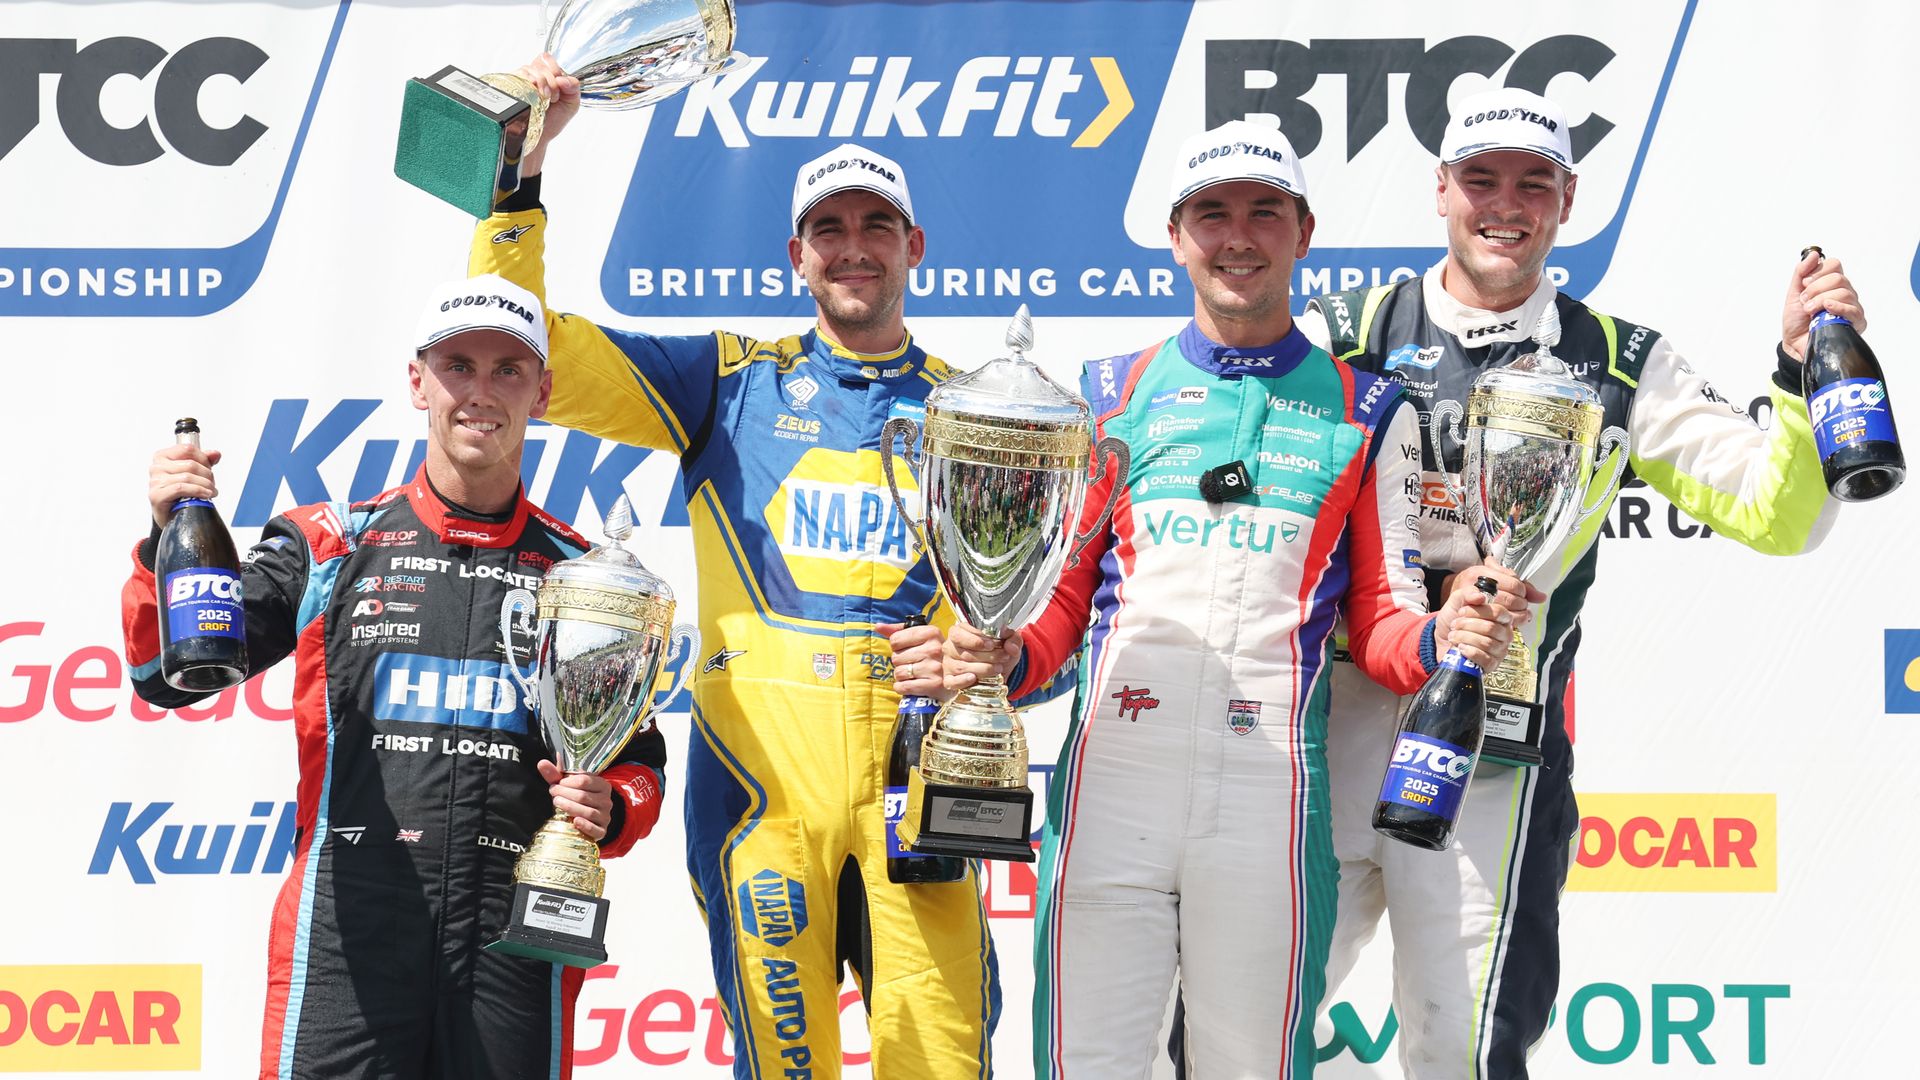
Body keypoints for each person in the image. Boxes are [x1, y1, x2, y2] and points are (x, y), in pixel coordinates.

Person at [941, 121, 1530, 1079]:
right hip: (1108, 783)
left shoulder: (1370, 410)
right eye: (1212, 213)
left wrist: (1441, 641)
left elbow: (1380, 623)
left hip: (1271, 798)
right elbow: (1058, 612)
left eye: (1265, 211)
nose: (1238, 236)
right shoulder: (1105, 396)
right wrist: (1003, 657)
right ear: (1177, 237)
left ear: (1303, 230)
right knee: (1089, 1061)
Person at [1295, 87, 1861, 1078]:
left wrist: (1796, 367)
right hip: (1328, 725)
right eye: (1481, 180)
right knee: (1236, 1031)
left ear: (1567, 200)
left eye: (1532, 183)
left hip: (1496, 758)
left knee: (1466, 1051)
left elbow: (1784, 516)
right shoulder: (1344, 331)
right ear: (1440, 191)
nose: (1504, 205)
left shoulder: (1616, 361)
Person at [464, 57, 995, 1079]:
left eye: (875, 227)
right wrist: (516, 190)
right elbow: (544, 358)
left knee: (940, 1057)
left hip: (915, 772)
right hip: (763, 782)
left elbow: (1033, 617)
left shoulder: (979, 411)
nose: (853, 250)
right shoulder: (727, 381)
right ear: (796, 254)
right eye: (829, 231)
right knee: (781, 1058)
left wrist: (997, 658)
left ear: (914, 247)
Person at [121, 275, 669, 1079]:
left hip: (513, 934)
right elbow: (161, 675)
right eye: (459, 366)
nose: (481, 393)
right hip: (352, 924)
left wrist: (611, 804)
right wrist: (163, 539)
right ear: (418, 382)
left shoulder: (580, 578)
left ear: (543, 391)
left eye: (508, 370)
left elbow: (637, 762)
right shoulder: (329, 546)